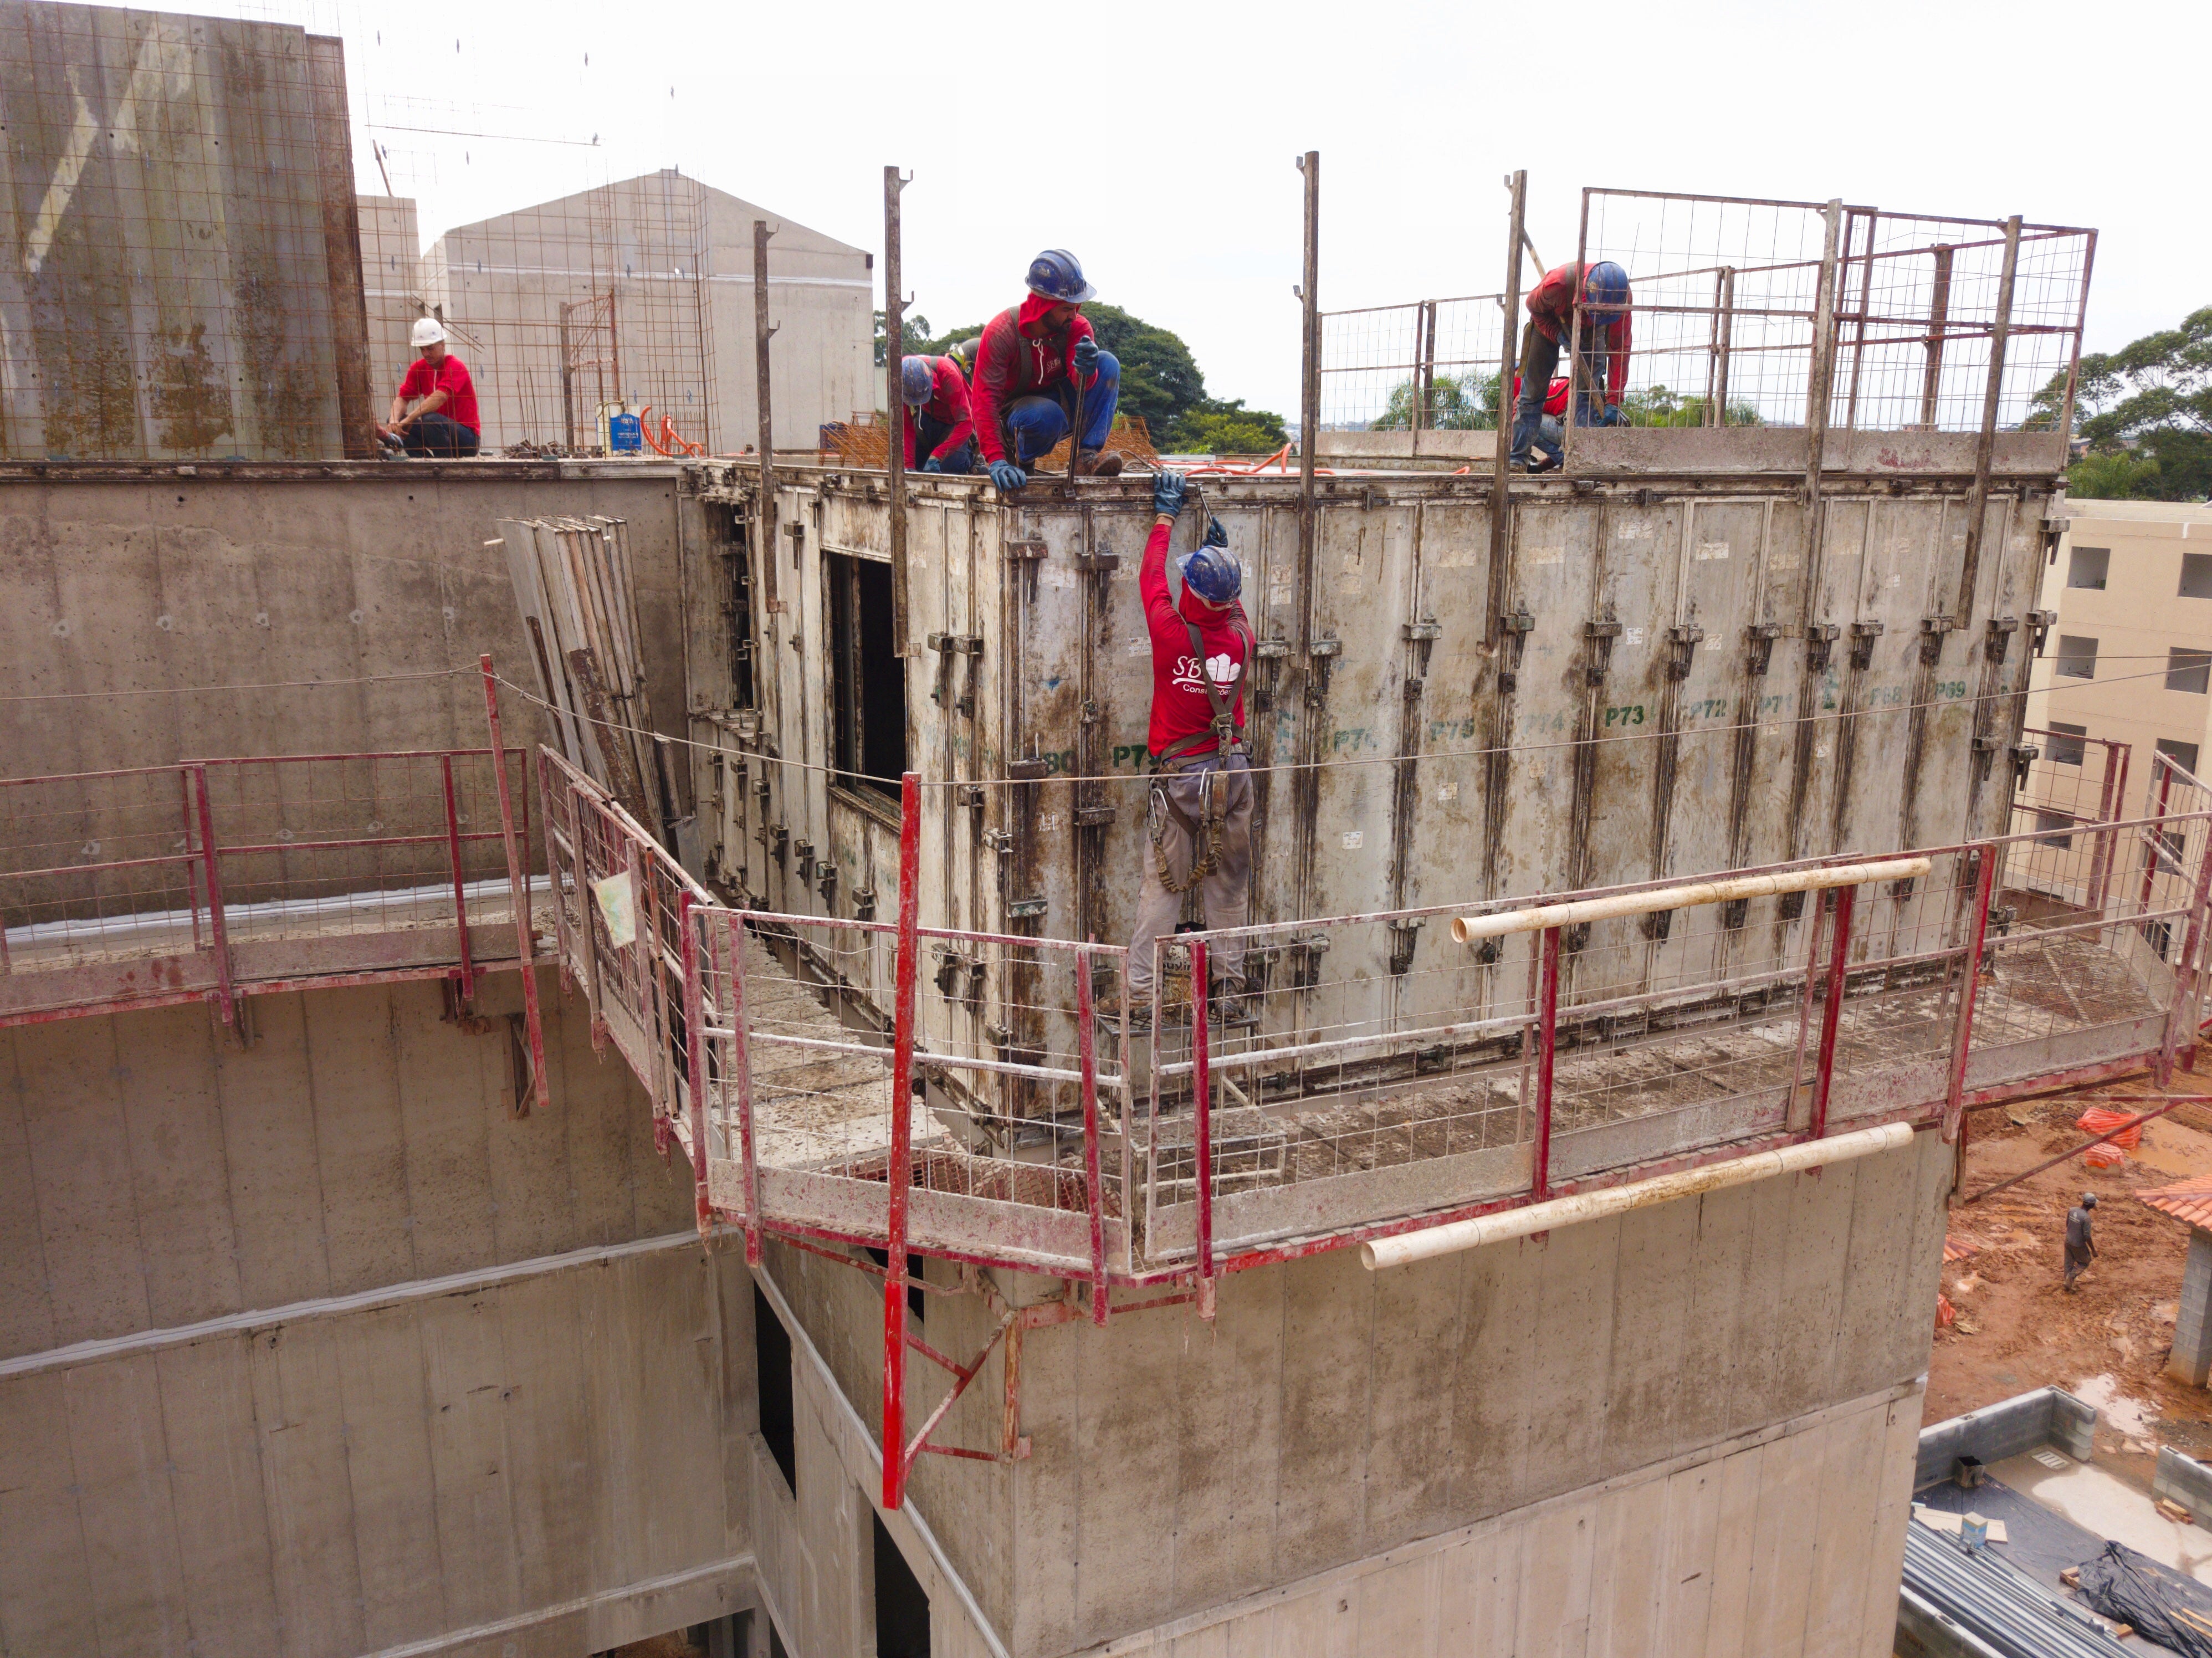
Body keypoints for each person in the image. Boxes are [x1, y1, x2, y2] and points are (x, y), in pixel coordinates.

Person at [1109, 470, 1254, 1028]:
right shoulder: (1243, 636)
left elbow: (1150, 578)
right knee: (1228, 886)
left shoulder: (1171, 632)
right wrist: (1221, 551)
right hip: (1233, 774)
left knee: (1162, 889)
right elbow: (1231, 605)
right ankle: (1229, 992)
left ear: (1190, 593)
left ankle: (1141, 997)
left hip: (1180, 780)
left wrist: (1164, 517)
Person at [970, 249, 1123, 491]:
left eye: (1077, 306)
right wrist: (996, 460)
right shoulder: (1001, 334)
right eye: (1066, 309)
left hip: (1059, 403)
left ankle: (1086, 458)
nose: (1074, 315)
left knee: (1108, 363)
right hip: (1019, 416)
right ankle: (1025, 457)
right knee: (1046, 415)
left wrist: (1087, 370)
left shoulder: (1077, 326)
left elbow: (1083, 384)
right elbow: (984, 402)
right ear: (1043, 306)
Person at [1508, 260, 1631, 471]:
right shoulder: (1556, 286)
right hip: (1548, 322)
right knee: (1532, 394)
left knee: (1586, 395)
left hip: (1592, 331)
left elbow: (1620, 348)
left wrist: (1614, 400)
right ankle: (1518, 459)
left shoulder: (1621, 300)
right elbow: (1533, 307)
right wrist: (1556, 334)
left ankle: (1580, 459)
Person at [381, 318, 480, 457]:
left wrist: (409, 419)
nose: (426, 353)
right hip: (436, 433)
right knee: (397, 422)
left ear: (443, 345)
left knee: (430, 419)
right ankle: (423, 463)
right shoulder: (418, 368)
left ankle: (445, 465)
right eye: (423, 349)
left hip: (467, 439)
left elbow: (440, 397)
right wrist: (394, 420)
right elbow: (403, 398)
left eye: (430, 348)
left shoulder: (455, 366)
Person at [899, 354, 976, 474]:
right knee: (914, 467)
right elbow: (904, 424)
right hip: (926, 418)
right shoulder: (898, 378)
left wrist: (937, 456)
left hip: (955, 424)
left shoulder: (948, 376)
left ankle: (972, 462)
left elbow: (966, 424)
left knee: (951, 468)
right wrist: (909, 465)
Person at [2065, 1192, 2099, 1291]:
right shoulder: (2086, 1218)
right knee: (2085, 1262)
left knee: (2068, 1262)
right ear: (2091, 1205)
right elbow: (2087, 1236)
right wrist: (2093, 1250)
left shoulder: (2072, 1210)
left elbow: (2068, 1224)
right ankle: (2071, 1277)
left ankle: (2067, 1284)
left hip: (2068, 1240)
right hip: (2078, 1244)